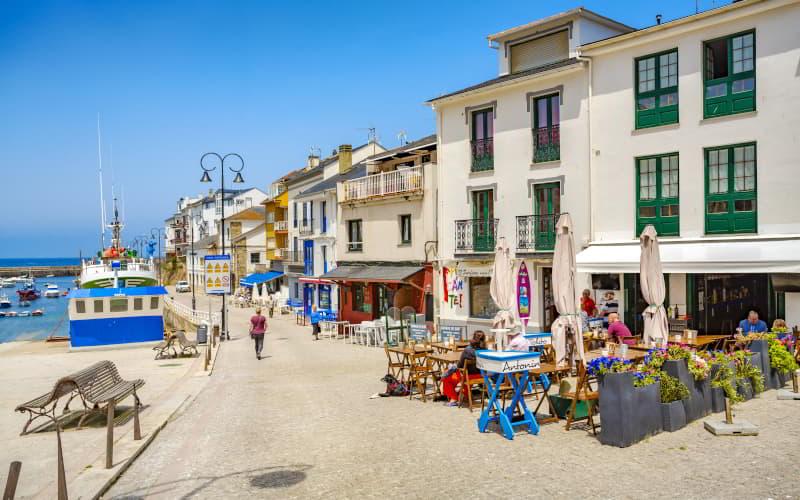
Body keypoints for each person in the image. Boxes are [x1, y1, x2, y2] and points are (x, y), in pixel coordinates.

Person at [441, 331, 486, 407]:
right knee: (461, 374)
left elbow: (459, 365)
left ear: (473, 338)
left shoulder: (467, 350)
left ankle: (454, 399)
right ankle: (465, 395)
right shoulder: (485, 350)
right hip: (482, 376)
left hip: (468, 377)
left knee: (446, 378)